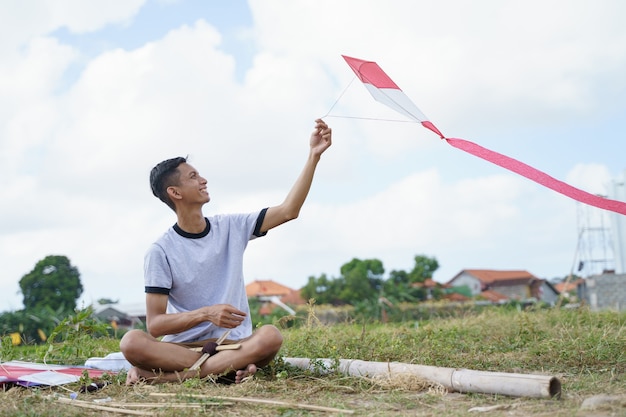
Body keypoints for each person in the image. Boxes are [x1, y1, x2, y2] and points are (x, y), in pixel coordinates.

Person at [120, 119, 332, 385]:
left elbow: (288, 210)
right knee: (131, 342)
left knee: (270, 336)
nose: (203, 179)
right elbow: (156, 325)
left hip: (234, 345)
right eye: (193, 177)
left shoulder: (231, 227)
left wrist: (313, 156)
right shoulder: (160, 251)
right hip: (182, 350)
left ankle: (172, 379)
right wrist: (206, 314)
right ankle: (229, 370)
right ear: (175, 192)